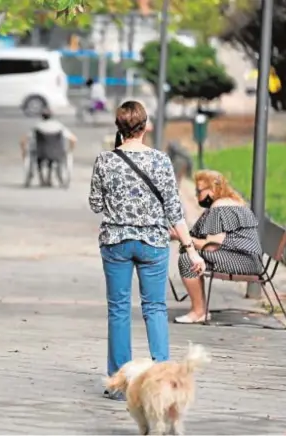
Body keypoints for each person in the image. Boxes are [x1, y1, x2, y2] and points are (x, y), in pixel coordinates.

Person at [88, 100, 206, 400]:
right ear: (145, 126)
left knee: (118, 310)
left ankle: (119, 384)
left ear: (119, 127)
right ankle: (162, 382)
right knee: (154, 308)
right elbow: (174, 210)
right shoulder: (161, 161)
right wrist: (190, 248)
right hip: (153, 243)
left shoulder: (105, 160)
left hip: (115, 242)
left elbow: (96, 205)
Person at [172, 170, 264, 324]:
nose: (196, 195)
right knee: (193, 257)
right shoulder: (233, 203)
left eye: (199, 191)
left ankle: (198, 311)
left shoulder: (219, 207)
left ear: (213, 190)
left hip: (241, 261)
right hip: (249, 260)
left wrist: (182, 238)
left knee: (188, 260)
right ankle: (200, 309)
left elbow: (212, 246)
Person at [20, 109, 77, 185]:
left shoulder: (37, 127)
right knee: (54, 157)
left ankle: (42, 179)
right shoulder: (59, 126)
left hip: (41, 153)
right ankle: (50, 179)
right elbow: (73, 139)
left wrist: (24, 151)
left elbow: (23, 140)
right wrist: (70, 150)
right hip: (57, 153)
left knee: (37, 157)